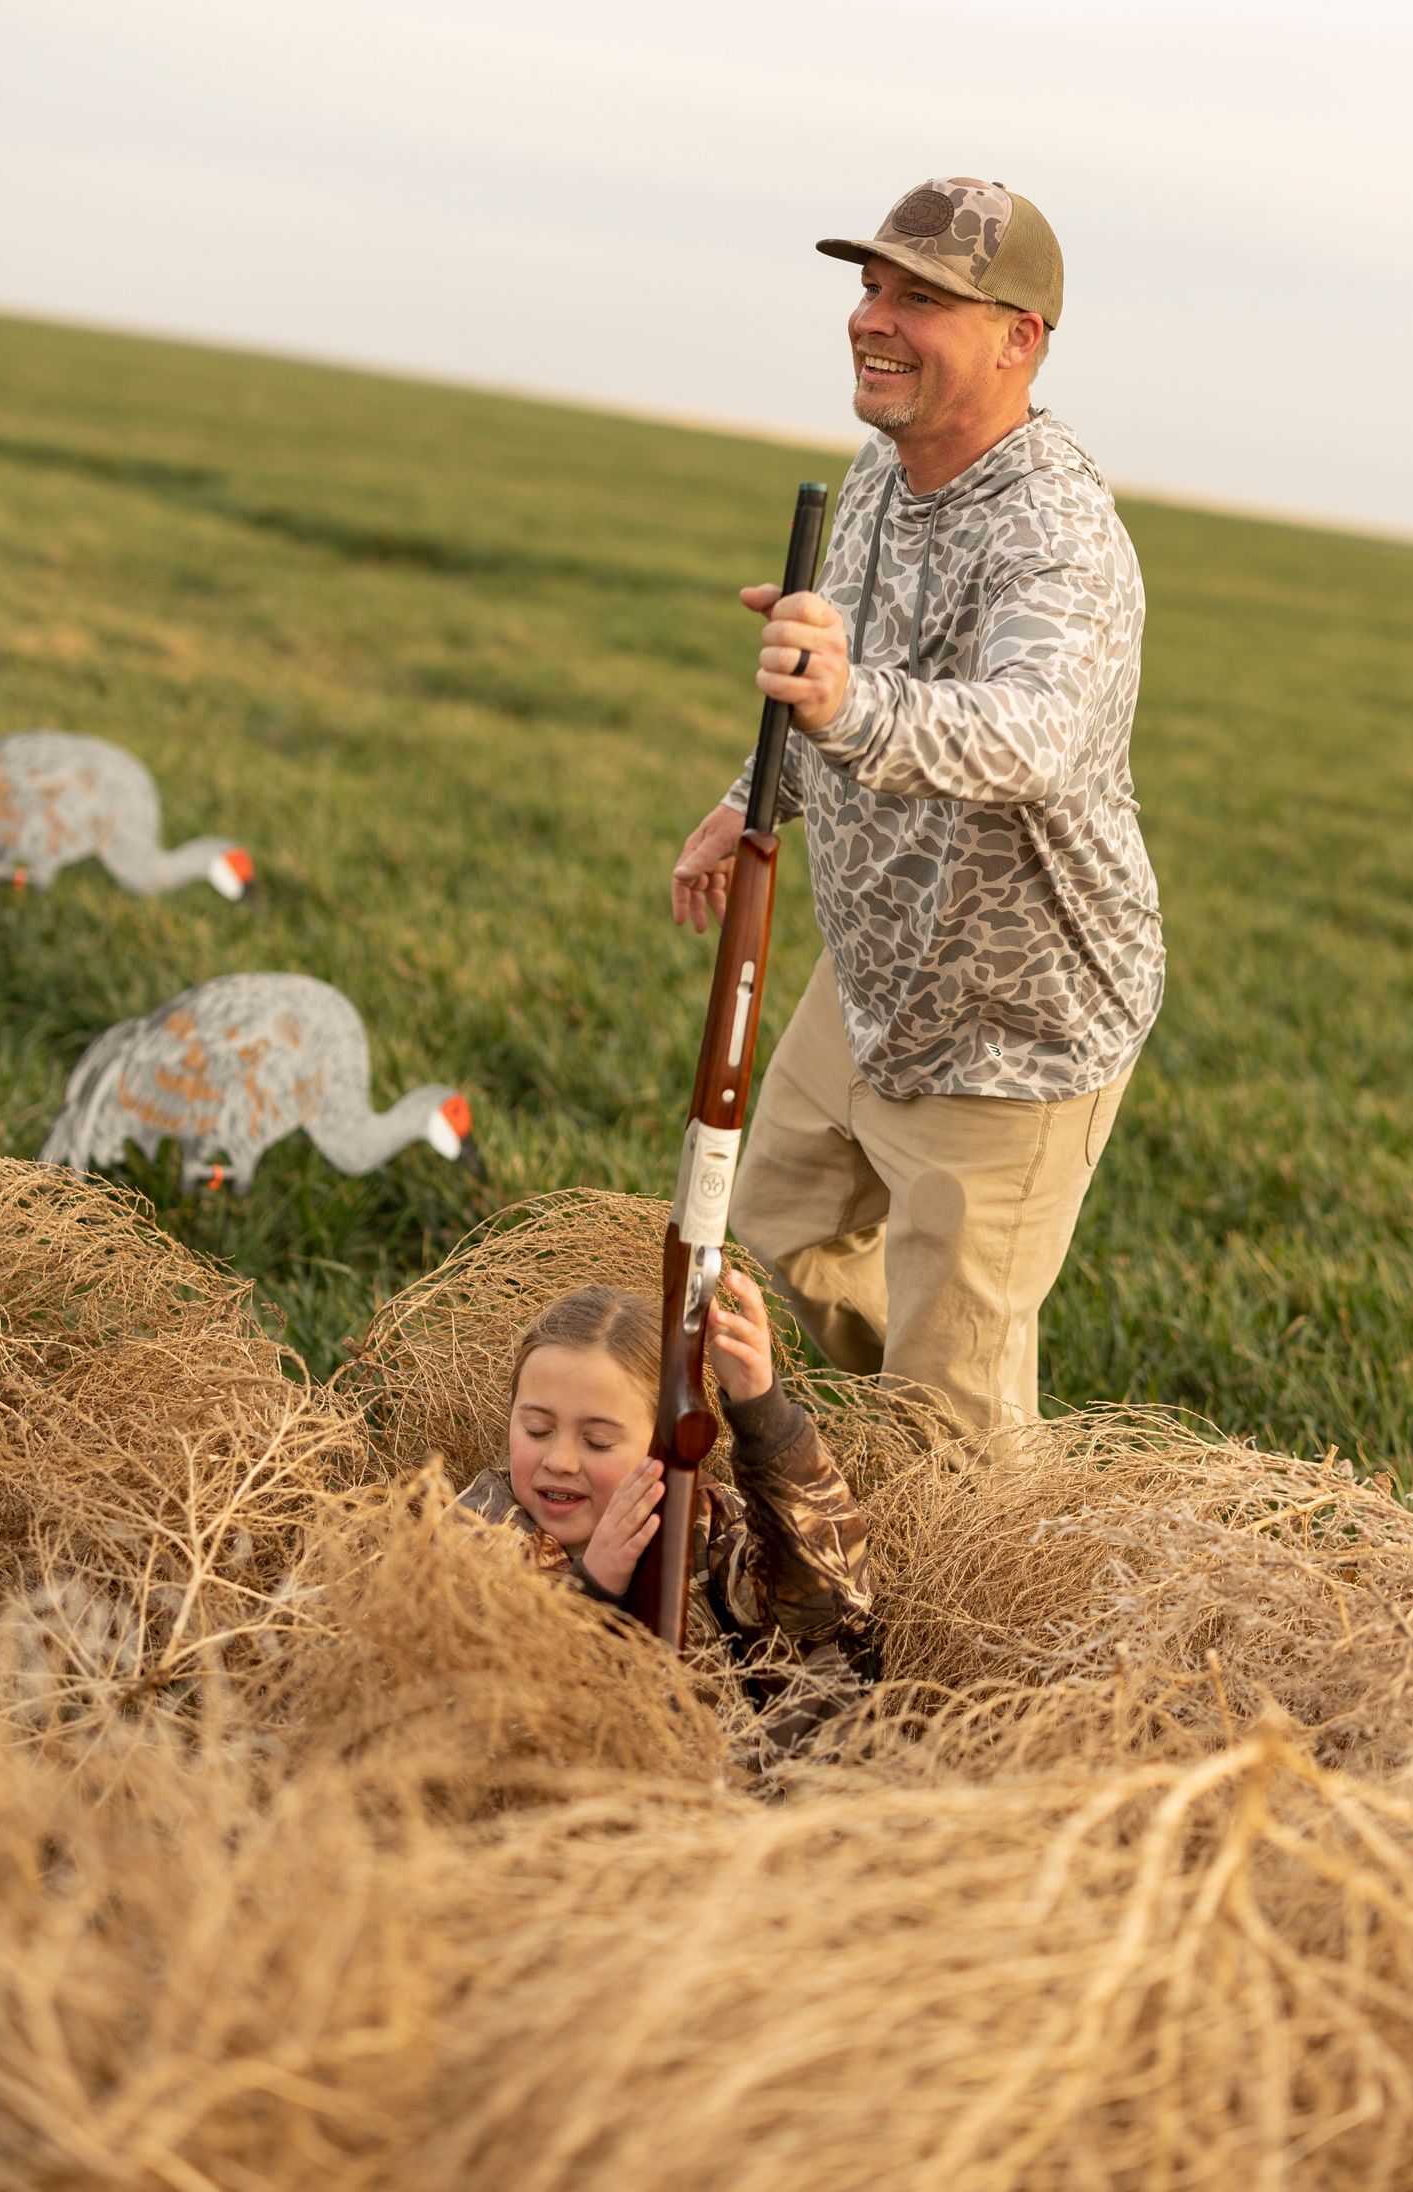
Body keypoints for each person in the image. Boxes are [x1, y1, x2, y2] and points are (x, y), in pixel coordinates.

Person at [672, 176, 1163, 1435]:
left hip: (1014, 1030)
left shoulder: (1060, 531)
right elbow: (825, 670)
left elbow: (1034, 734)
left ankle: (994, 1540)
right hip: (879, 976)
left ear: (1019, 338)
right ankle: (934, 1390)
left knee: (961, 1425)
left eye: (923, 298)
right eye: (871, 286)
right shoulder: (880, 476)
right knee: (773, 1231)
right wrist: (750, 795)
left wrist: (845, 709)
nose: (874, 318)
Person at [454, 1265, 872, 1699]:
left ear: (663, 1445)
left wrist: (764, 1418)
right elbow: (477, 1696)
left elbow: (833, 1609)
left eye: (597, 1442)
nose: (559, 1461)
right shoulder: (477, 1528)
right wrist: (591, 1588)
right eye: (537, 1430)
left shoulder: (706, 1523)